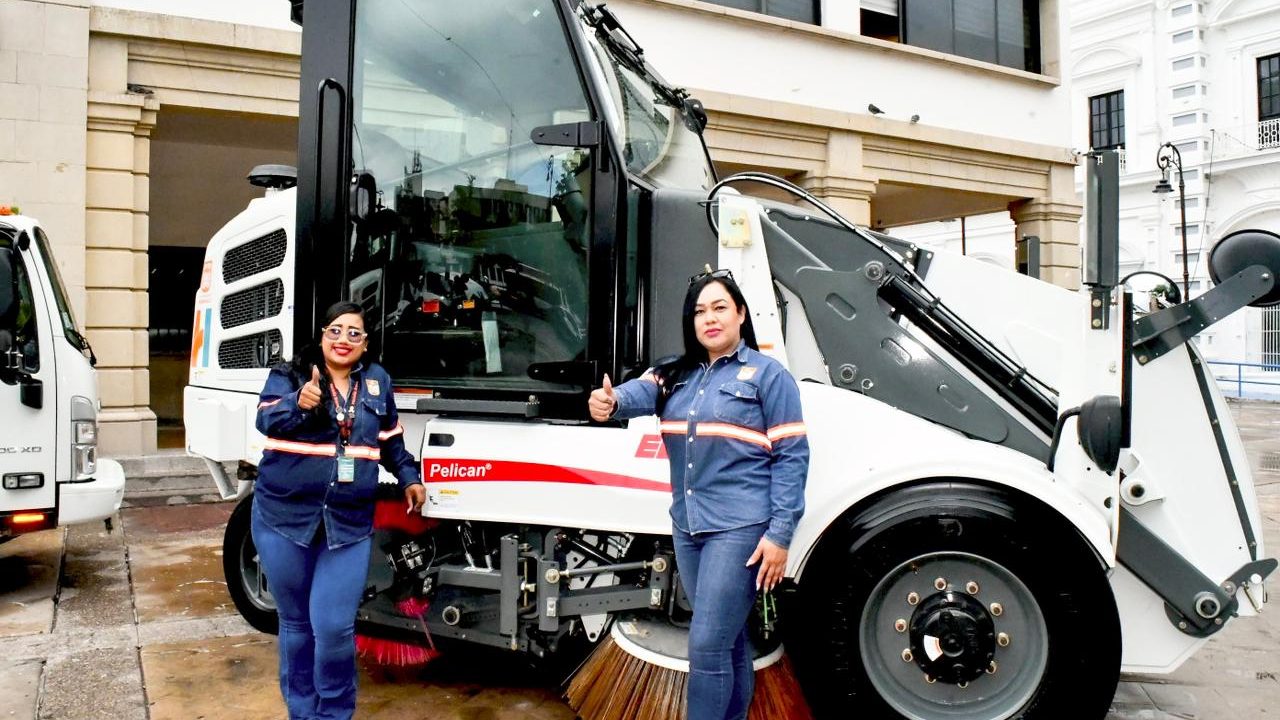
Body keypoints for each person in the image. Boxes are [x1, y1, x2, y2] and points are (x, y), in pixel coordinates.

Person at [588, 269, 809, 720]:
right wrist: (609, 402)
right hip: (687, 526)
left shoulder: (769, 376)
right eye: (699, 311)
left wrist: (780, 534)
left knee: (706, 644)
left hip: (741, 529)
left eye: (720, 307)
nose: (710, 318)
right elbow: (635, 393)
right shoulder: (674, 374)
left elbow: (792, 456)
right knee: (729, 641)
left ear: (741, 314)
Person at [252, 301, 426, 720]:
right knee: (296, 625)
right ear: (322, 336)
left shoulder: (377, 382)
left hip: (347, 525)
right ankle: (302, 712)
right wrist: (298, 402)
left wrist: (409, 477)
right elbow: (265, 420)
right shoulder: (290, 376)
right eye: (335, 330)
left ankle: (333, 713)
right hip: (283, 520)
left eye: (354, 333)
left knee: (333, 628)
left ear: (365, 344)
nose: (343, 339)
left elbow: (390, 441)